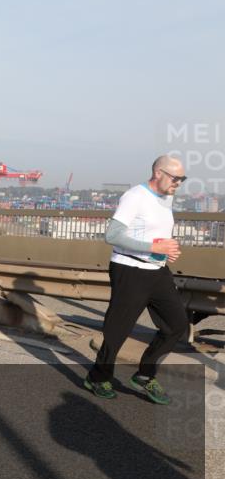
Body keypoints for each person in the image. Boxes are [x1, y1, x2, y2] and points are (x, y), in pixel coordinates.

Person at [84, 155, 189, 405]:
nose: (179, 183)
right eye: (176, 178)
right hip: (130, 270)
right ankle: (98, 378)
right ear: (158, 173)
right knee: (117, 330)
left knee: (177, 325)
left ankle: (144, 375)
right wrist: (153, 247)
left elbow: (155, 233)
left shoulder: (167, 197)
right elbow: (112, 235)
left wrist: (164, 249)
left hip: (157, 271)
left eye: (183, 179)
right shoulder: (134, 197)